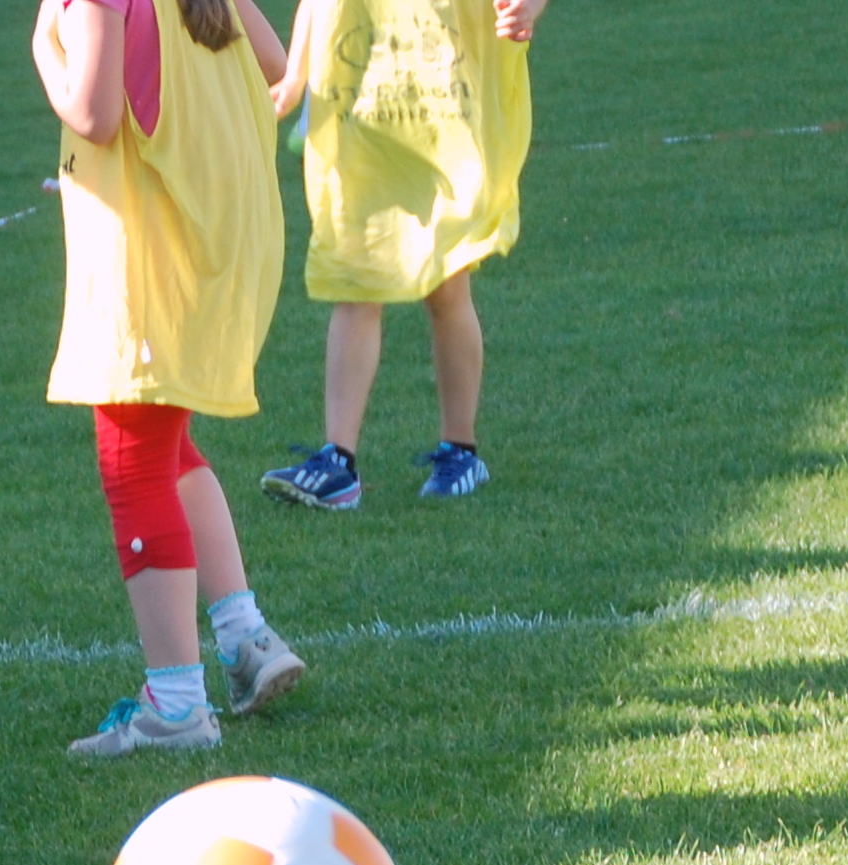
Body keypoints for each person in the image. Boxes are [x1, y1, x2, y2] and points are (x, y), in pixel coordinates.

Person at [34, 0, 308, 756]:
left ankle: (177, 703)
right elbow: (278, 66)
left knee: (131, 466)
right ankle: (245, 637)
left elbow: (90, 115)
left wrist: (44, 52)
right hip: (208, 249)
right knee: (169, 452)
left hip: (147, 262)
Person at [258, 0, 544, 506]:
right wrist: (297, 72)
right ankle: (337, 462)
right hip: (360, 111)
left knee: (446, 285)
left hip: (444, 115)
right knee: (356, 280)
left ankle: (461, 450)